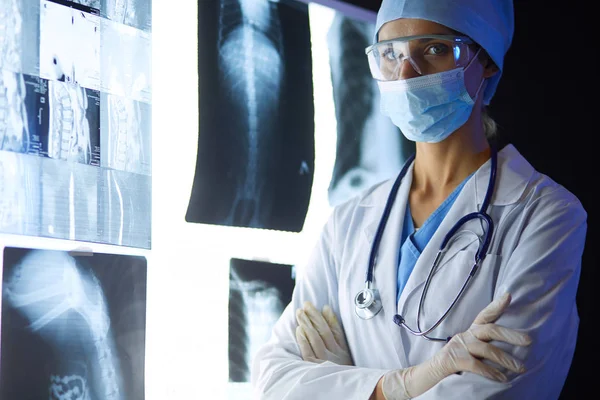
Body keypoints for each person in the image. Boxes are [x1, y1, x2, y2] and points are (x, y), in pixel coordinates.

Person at [250, 0, 588, 399]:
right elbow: (273, 381)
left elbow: (499, 391)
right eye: (391, 54)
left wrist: (349, 386)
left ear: (488, 61)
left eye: (434, 49)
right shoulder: (349, 222)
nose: (406, 74)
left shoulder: (545, 215)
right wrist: (402, 384)